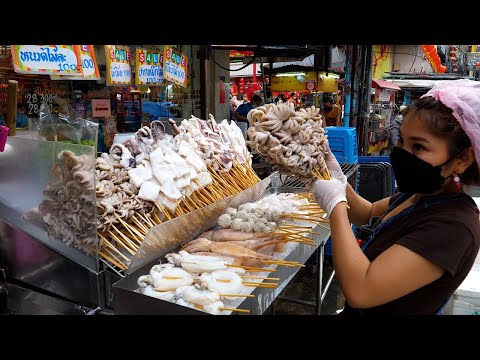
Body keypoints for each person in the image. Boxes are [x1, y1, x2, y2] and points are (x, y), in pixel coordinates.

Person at [312, 79, 480, 315]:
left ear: (462, 159)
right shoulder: (417, 195)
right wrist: (339, 181)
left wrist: (335, 204)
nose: (402, 153)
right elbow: (366, 213)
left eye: (419, 147)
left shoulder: (454, 227)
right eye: (402, 140)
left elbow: (361, 290)